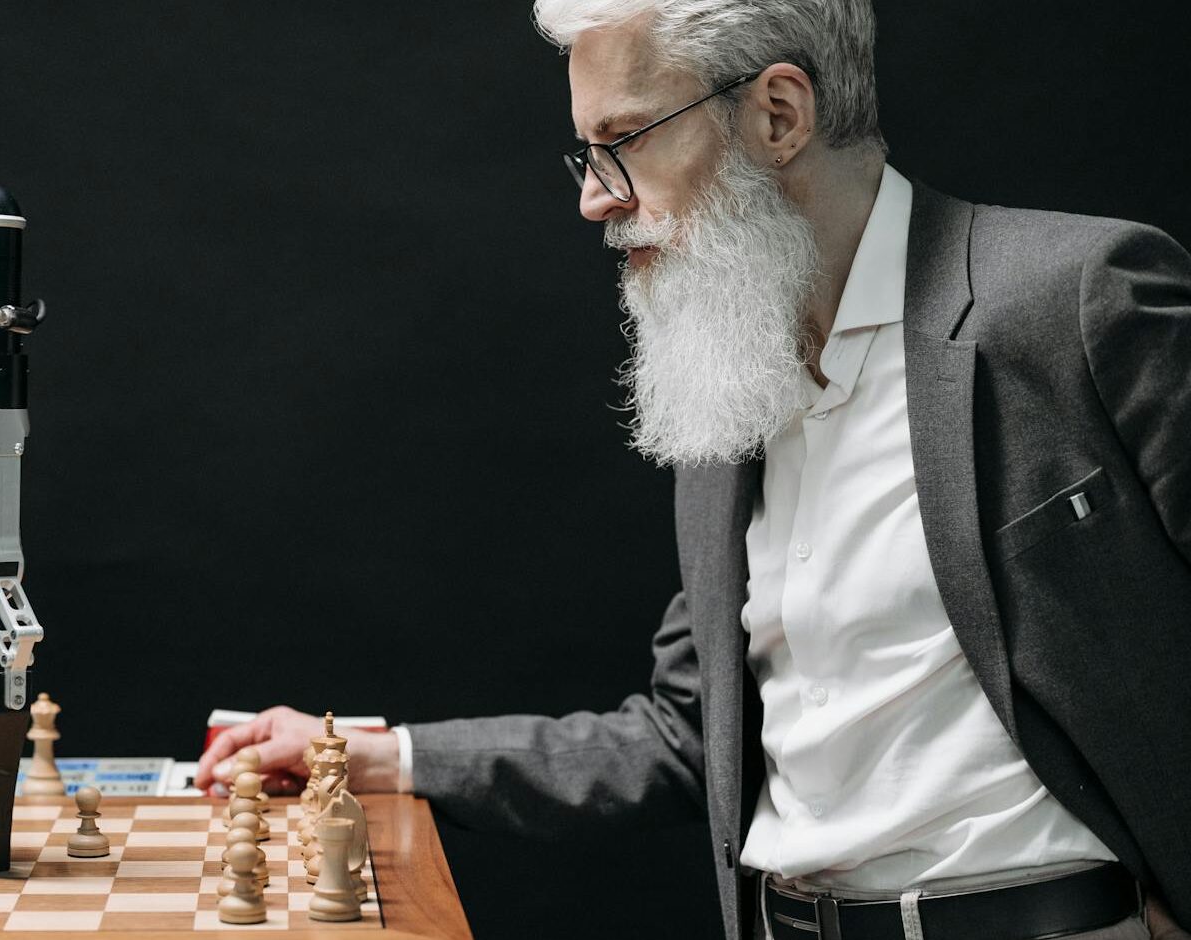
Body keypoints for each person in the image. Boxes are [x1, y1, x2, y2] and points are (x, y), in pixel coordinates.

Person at [196, 2, 1191, 938]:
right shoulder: (731, 380)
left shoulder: (1074, 303)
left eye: (620, 141)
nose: (592, 198)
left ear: (777, 114)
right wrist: (379, 755)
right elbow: (688, 732)